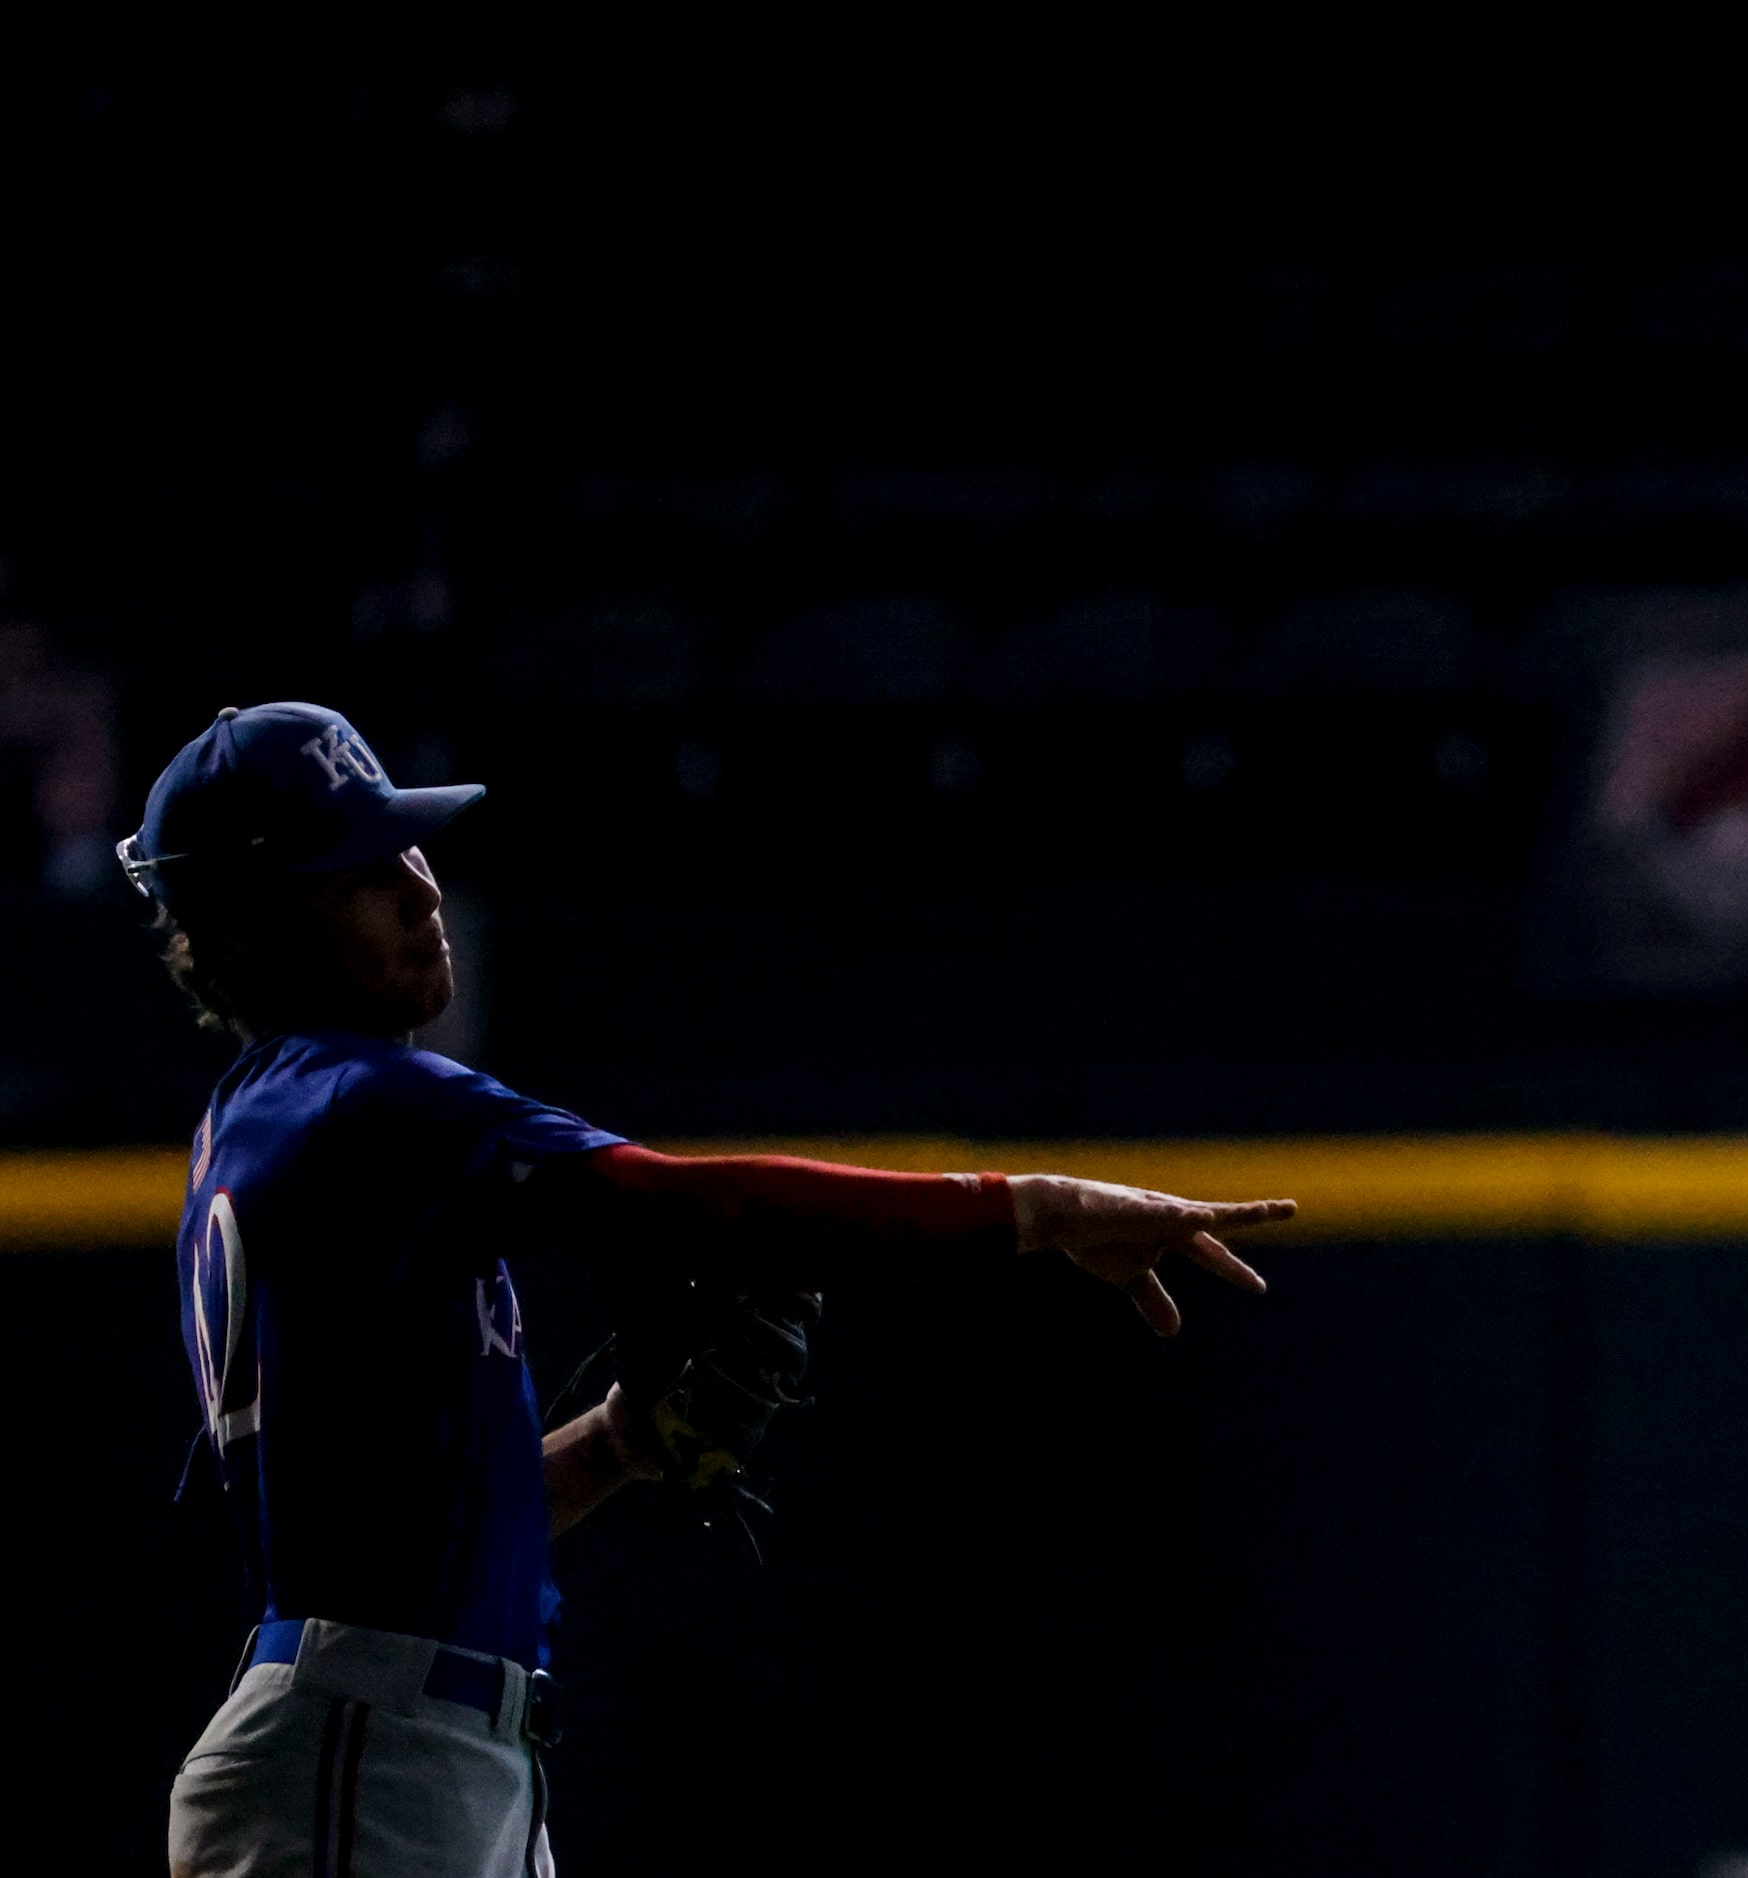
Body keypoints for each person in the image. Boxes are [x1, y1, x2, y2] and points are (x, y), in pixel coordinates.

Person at [123, 701, 1295, 1878]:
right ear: (248, 933)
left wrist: (620, 1442)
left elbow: (410, 1536)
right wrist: (1032, 1208)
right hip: (364, 1755)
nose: (420, 888)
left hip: (407, 1740)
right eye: (358, 871)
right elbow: (697, 1205)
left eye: (407, 847)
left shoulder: (275, 1118)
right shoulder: (355, 1105)